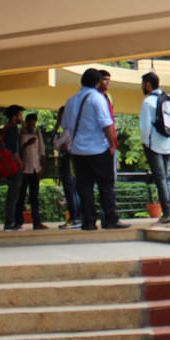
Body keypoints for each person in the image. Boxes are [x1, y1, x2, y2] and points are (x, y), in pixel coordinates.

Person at [61, 68, 127, 230]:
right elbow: (106, 124)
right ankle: (110, 219)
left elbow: (66, 127)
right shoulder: (97, 99)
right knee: (105, 185)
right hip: (98, 149)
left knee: (84, 187)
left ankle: (88, 221)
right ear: (97, 82)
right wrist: (112, 145)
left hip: (77, 151)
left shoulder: (70, 101)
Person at [140, 72, 170, 224]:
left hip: (155, 144)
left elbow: (145, 126)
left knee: (161, 180)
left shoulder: (148, 102)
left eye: (143, 84)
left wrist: (145, 141)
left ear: (147, 84)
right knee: (166, 178)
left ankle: (167, 214)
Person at [50, 103, 81, 229]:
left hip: (69, 160)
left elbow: (57, 144)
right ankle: (76, 217)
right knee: (71, 190)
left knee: (71, 190)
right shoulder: (70, 128)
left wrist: (57, 132)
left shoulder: (69, 130)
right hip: (68, 160)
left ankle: (76, 218)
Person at [0, 105, 26, 231]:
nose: (22, 118)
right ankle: (9, 222)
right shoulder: (12, 129)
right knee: (14, 194)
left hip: (12, 165)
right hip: (14, 165)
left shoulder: (11, 128)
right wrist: (20, 162)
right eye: (20, 115)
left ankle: (12, 221)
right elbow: (13, 149)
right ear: (14, 116)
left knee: (15, 193)